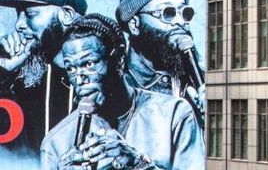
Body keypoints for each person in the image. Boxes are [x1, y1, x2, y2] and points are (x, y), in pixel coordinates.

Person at [39, 14, 204, 170]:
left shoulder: (174, 114)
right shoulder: (55, 144)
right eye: (70, 68)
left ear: (120, 59)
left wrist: (138, 163)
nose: (79, 79)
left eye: (89, 64)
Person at [0, 0, 87, 158]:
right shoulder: (20, 79)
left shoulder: (106, 79)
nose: (18, 25)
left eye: (29, 13)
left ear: (67, 15)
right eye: (18, 14)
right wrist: (3, 71)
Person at [115, 0, 205, 129]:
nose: (180, 21)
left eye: (185, 12)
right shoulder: (114, 87)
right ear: (134, 25)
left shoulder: (202, 81)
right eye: (168, 13)